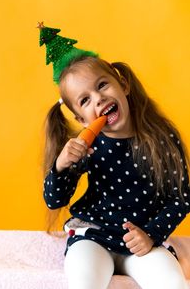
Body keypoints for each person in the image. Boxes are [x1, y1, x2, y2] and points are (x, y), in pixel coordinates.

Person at [38, 22, 190, 289]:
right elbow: (54, 200)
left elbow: (180, 198)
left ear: (124, 85)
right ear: (80, 119)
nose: (97, 98)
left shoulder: (162, 138)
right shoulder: (86, 148)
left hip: (143, 239)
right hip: (94, 236)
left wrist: (152, 234)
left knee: (172, 282)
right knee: (83, 280)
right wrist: (61, 167)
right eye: (85, 100)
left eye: (102, 85)